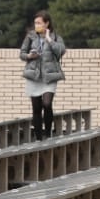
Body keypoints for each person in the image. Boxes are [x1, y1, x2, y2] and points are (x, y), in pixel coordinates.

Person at [19, 11, 67, 140]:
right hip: (34, 75)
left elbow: (61, 51)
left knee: (47, 103)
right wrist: (29, 56)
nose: (37, 25)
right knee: (36, 107)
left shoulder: (55, 37)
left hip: (49, 76)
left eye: (39, 23)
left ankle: (48, 133)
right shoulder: (30, 36)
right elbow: (22, 53)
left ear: (47, 23)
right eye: (35, 23)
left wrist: (49, 40)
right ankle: (39, 137)